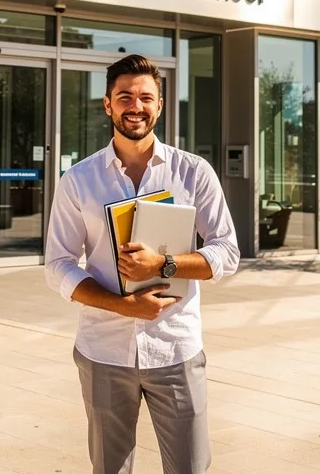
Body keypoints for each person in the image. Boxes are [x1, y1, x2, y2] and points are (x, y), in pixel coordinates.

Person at [45, 54, 239, 474]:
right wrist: (123, 306)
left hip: (176, 348)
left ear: (161, 104)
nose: (136, 106)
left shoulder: (193, 173)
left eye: (146, 97)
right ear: (108, 104)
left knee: (190, 468)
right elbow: (58, 264)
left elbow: (226, 252)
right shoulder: (79, 179)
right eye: (125, 96)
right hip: (103, 350)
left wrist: (164, 264)